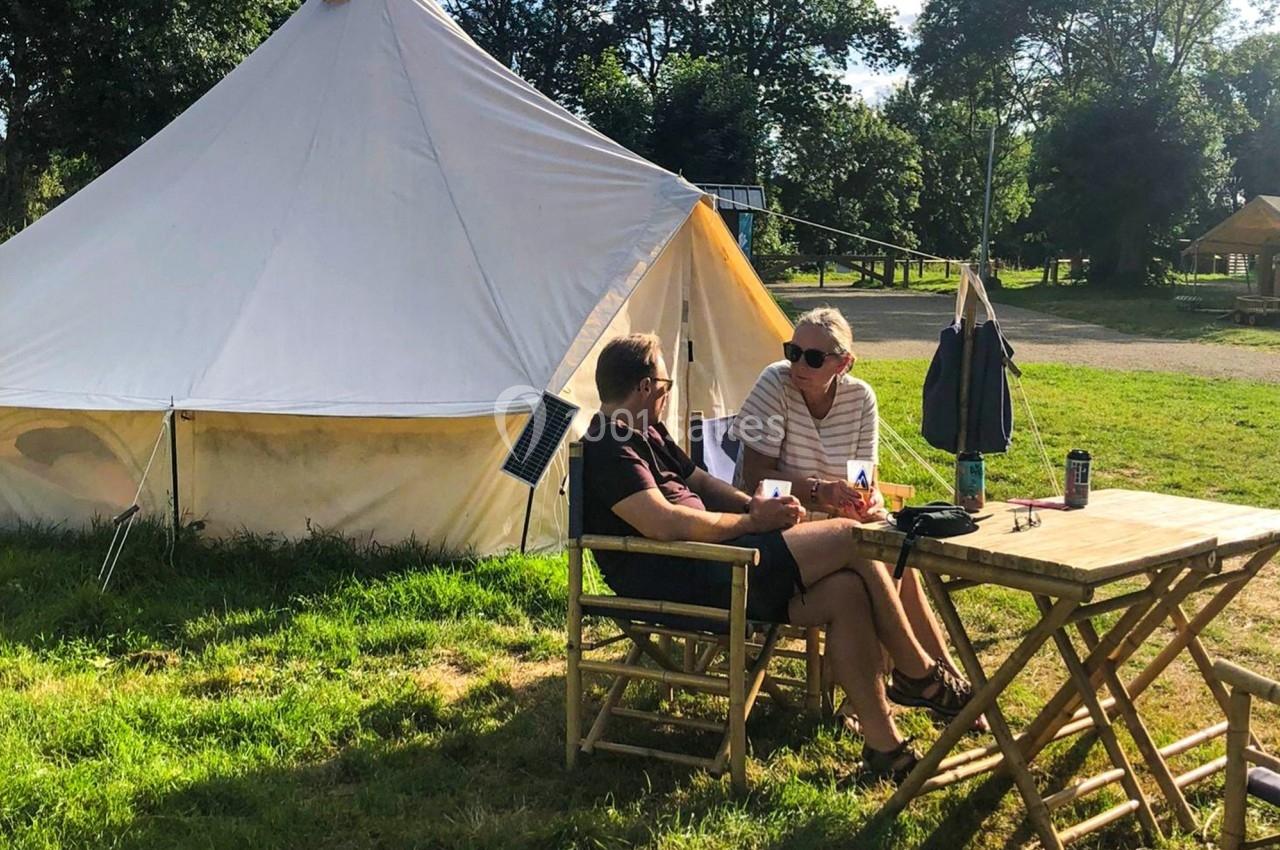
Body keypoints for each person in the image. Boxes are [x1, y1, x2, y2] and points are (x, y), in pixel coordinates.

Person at [581, 333, 973, 783]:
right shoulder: (608, 443)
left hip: (720, 562)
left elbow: (702, 482)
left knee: (846, 592)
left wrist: (752, 507)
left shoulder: (645, 430)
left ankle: (884, 746)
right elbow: (663, 524)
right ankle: (917, 672)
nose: (667, 394)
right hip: (687, 574)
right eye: (665, 383)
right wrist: (753, 524)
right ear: (645, 387)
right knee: (852, 537)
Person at [733, 306, 973, 734]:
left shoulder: (860, 397)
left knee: (898, 565)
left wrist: (860, 495)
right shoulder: (774, 383)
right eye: (793, 351)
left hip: (836, 516)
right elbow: (755, 477)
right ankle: (927, 687)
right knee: (881, 562)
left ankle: (939, 683)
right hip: (781, 514)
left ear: (844, 363)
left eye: (812, 357)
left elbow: (861, 470)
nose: (797, 364)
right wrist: (816, 490)